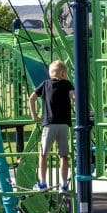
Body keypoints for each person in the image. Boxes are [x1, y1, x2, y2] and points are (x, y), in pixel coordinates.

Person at [31, 59, 73, 188]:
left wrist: (34, 115)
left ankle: (43, 183)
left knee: (43, 154)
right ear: (64, 74)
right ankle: (64, 184)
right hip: (64, 124)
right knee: (63, 156)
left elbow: (32, 97)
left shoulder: (45, 84)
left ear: (50, 73)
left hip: (49, 124)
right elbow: (74, 96)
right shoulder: (67, 84)